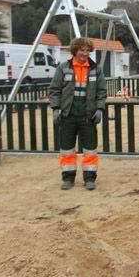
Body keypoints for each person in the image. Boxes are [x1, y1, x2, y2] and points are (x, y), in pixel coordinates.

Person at [49, 38, 107, 190]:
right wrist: (55, 109)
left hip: (88, 117)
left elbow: (101, 92)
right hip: (68, 116)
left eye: (88, 50)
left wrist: (100, 109)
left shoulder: (96, 69)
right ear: (75, 50)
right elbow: (55, 90)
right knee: (67, 149)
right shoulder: (63, 68)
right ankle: (68, 179)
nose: (85, 53)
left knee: (90, 150)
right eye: (82, 50)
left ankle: (89, 179)